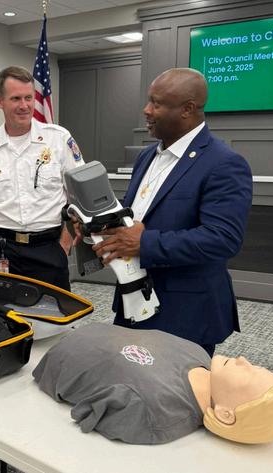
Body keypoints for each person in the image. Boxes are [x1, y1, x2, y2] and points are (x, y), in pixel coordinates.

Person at [88, 68, 253, 356]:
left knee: (177, 385)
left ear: (187, 109)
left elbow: (223, 239)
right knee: (127, 375)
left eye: (156, 103)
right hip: (134, 301)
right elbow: (137, 216)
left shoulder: (224, 163)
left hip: (185, 313)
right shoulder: (146, 156)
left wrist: (145, 242)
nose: (146, 110)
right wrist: (98, 226)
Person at [33, 323, 273, 445]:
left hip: (57, 357)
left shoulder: (153, 412)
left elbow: (85, 415)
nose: (243, 360)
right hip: (74, 331)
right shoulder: (198, 355)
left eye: (248, 375)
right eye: (256, 366)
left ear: (226, 414)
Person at [0, 66, 84, 291]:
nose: (24, 105)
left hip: (48, 248)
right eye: (16, 98)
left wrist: (65, 242)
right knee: (2, 312)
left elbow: (76, 195)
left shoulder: (58, 139)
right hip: (2, 251)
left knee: (53, 312)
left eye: (29, 97)